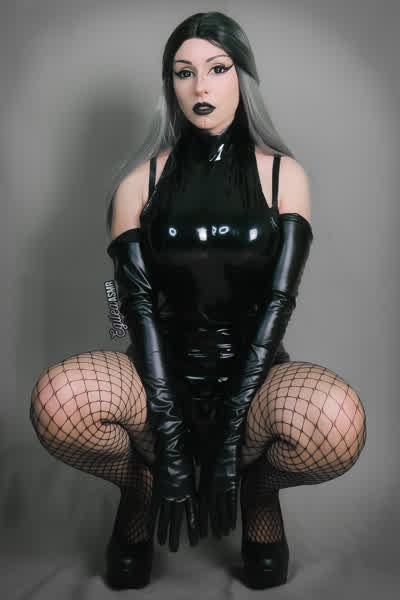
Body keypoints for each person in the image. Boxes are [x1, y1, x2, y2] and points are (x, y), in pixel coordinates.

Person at [30, 11, 367, 591]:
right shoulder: (137, 183)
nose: (200, 86)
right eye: (184, 72)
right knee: (58, 400)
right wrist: (170, 442)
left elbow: (278, 305)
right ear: (170, 84)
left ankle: (259, 493)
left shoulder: (285, 177)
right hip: (155, 380)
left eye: (217, 68)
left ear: (244, 76)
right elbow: (128, 310)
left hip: (254, 384)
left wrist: (233, 437)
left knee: (338, 422)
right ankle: (137, 485)